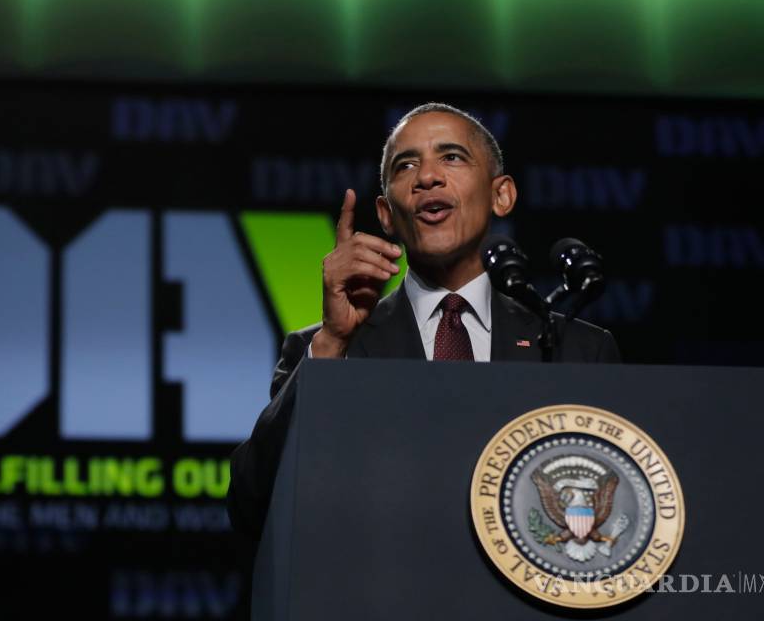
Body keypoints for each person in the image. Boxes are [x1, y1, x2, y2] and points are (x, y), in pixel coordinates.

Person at [227, 103, 620, 540]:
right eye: (406, 165)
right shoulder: (325, 352)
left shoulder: (577, 349)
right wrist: (333, 342)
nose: (427, 177)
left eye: (452, 157)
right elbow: (251, 505)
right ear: (385, 214)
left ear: (502, 195)